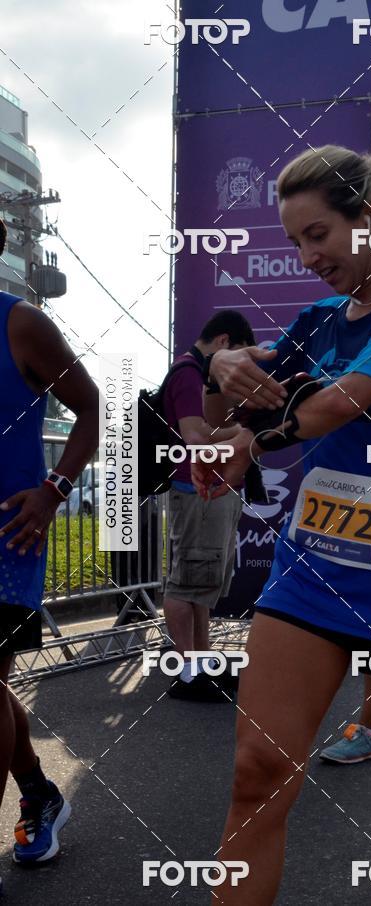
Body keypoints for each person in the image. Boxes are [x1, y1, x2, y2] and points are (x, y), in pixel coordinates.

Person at [193, 145, 371, 905]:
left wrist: (256, 440)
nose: (306, 257)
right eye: (295, 241)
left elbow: (339, 402)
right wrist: (218, 368)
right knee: (257, 769)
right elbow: (229, 411)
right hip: (312, 570)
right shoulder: (317, 320)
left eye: (317, 235)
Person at [0, 219, 99, 880]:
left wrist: (54, 489)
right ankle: (38, 790)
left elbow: (89, 406)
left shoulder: (22, 324)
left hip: (8, 535)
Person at [162, 310, 255, 702]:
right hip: (197, 487)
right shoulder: (188, 373)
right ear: (223, 342)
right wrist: (248, 431)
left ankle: (199, 664)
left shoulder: (197, 373)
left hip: (212, 488)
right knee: (186, 581)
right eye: (237, 355)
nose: (237, 368)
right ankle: (186, 671)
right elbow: (196, 436)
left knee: (201, 583)